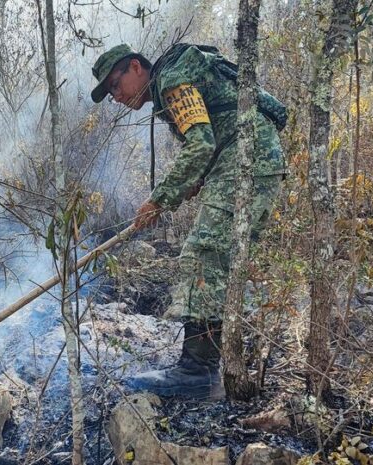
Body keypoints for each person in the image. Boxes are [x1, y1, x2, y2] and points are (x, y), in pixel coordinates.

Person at [91, 43, 287, 398]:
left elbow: (201, 145)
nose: (115, 97)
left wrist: (158, 198)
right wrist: (193, 183)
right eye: (109, 94)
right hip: (247, 158)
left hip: (248, 160)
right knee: (215, 258)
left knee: (202, 255)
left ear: (136, 67)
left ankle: (197, 372)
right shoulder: (170, 84)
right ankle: (217, 364)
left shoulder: (172, 79)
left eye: (116, 85)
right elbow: (212, 134)